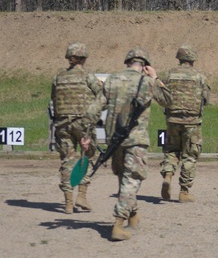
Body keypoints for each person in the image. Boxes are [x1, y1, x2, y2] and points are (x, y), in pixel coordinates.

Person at [83, 48, 170, 241]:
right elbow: (167, 100)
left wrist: (87, 135)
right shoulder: (147, 82)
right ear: (145, 65)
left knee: (124, 177)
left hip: (115, 139)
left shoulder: (112, 80)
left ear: (127, 62)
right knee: (132, 179)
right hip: (135, 140)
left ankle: (133, 214)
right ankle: (118, 223)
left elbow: (94, 109)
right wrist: (155, 78)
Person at [50, 43, 104, 214]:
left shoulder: (58, 77)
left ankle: (67, 203)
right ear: (84, 58)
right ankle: (82, 194)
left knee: (67, 160)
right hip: (83, 124)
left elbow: (53, 98)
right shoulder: (88, 76)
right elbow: (102, 96)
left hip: (62, 124)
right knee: (89, 156)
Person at [159, 45, 211, 203]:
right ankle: (184, 191)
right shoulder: (199, 77)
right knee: (190, 155)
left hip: (172, 120)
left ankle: (168, 175)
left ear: (179, 58)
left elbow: (161, 96)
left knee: (171, 151)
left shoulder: (168, 75)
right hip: (192, 122)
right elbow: (207, 100)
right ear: (192, 60)